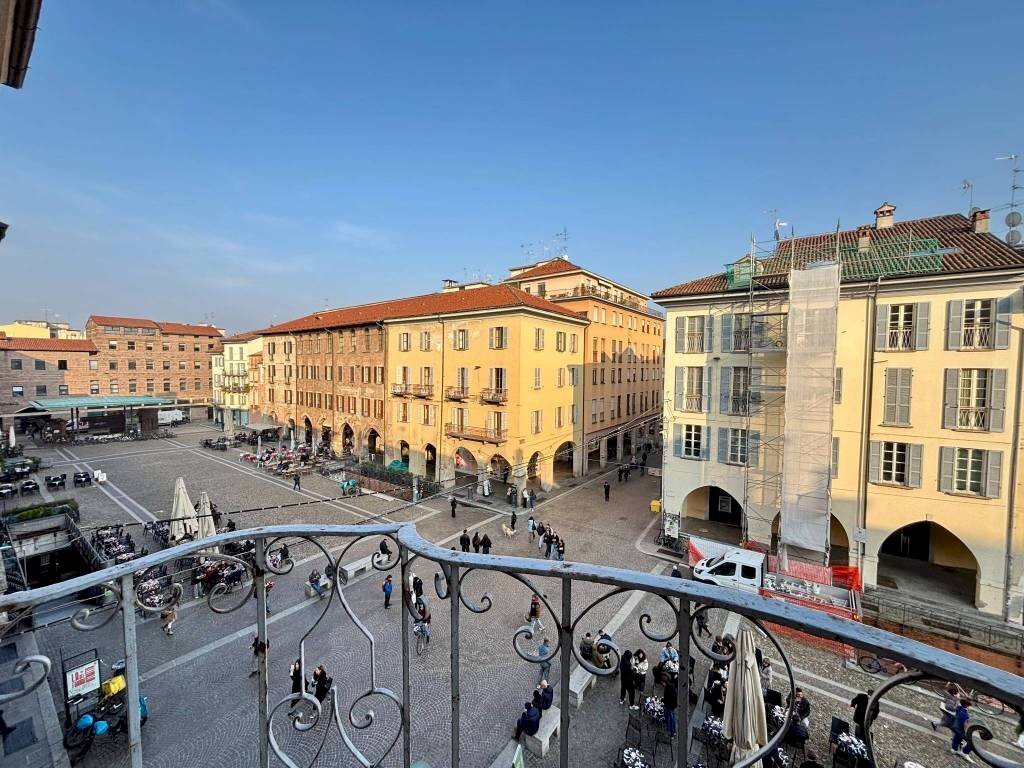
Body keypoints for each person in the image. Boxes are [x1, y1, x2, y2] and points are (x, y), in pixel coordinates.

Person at [663, 673, 679, 737]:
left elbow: (667, 699)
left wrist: (663, 700)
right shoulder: (671, 687)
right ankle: (670, 729)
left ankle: (673, 732)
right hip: (672, 705)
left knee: (671, 719)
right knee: (670, 717)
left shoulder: (667, 690)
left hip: (669, 706)